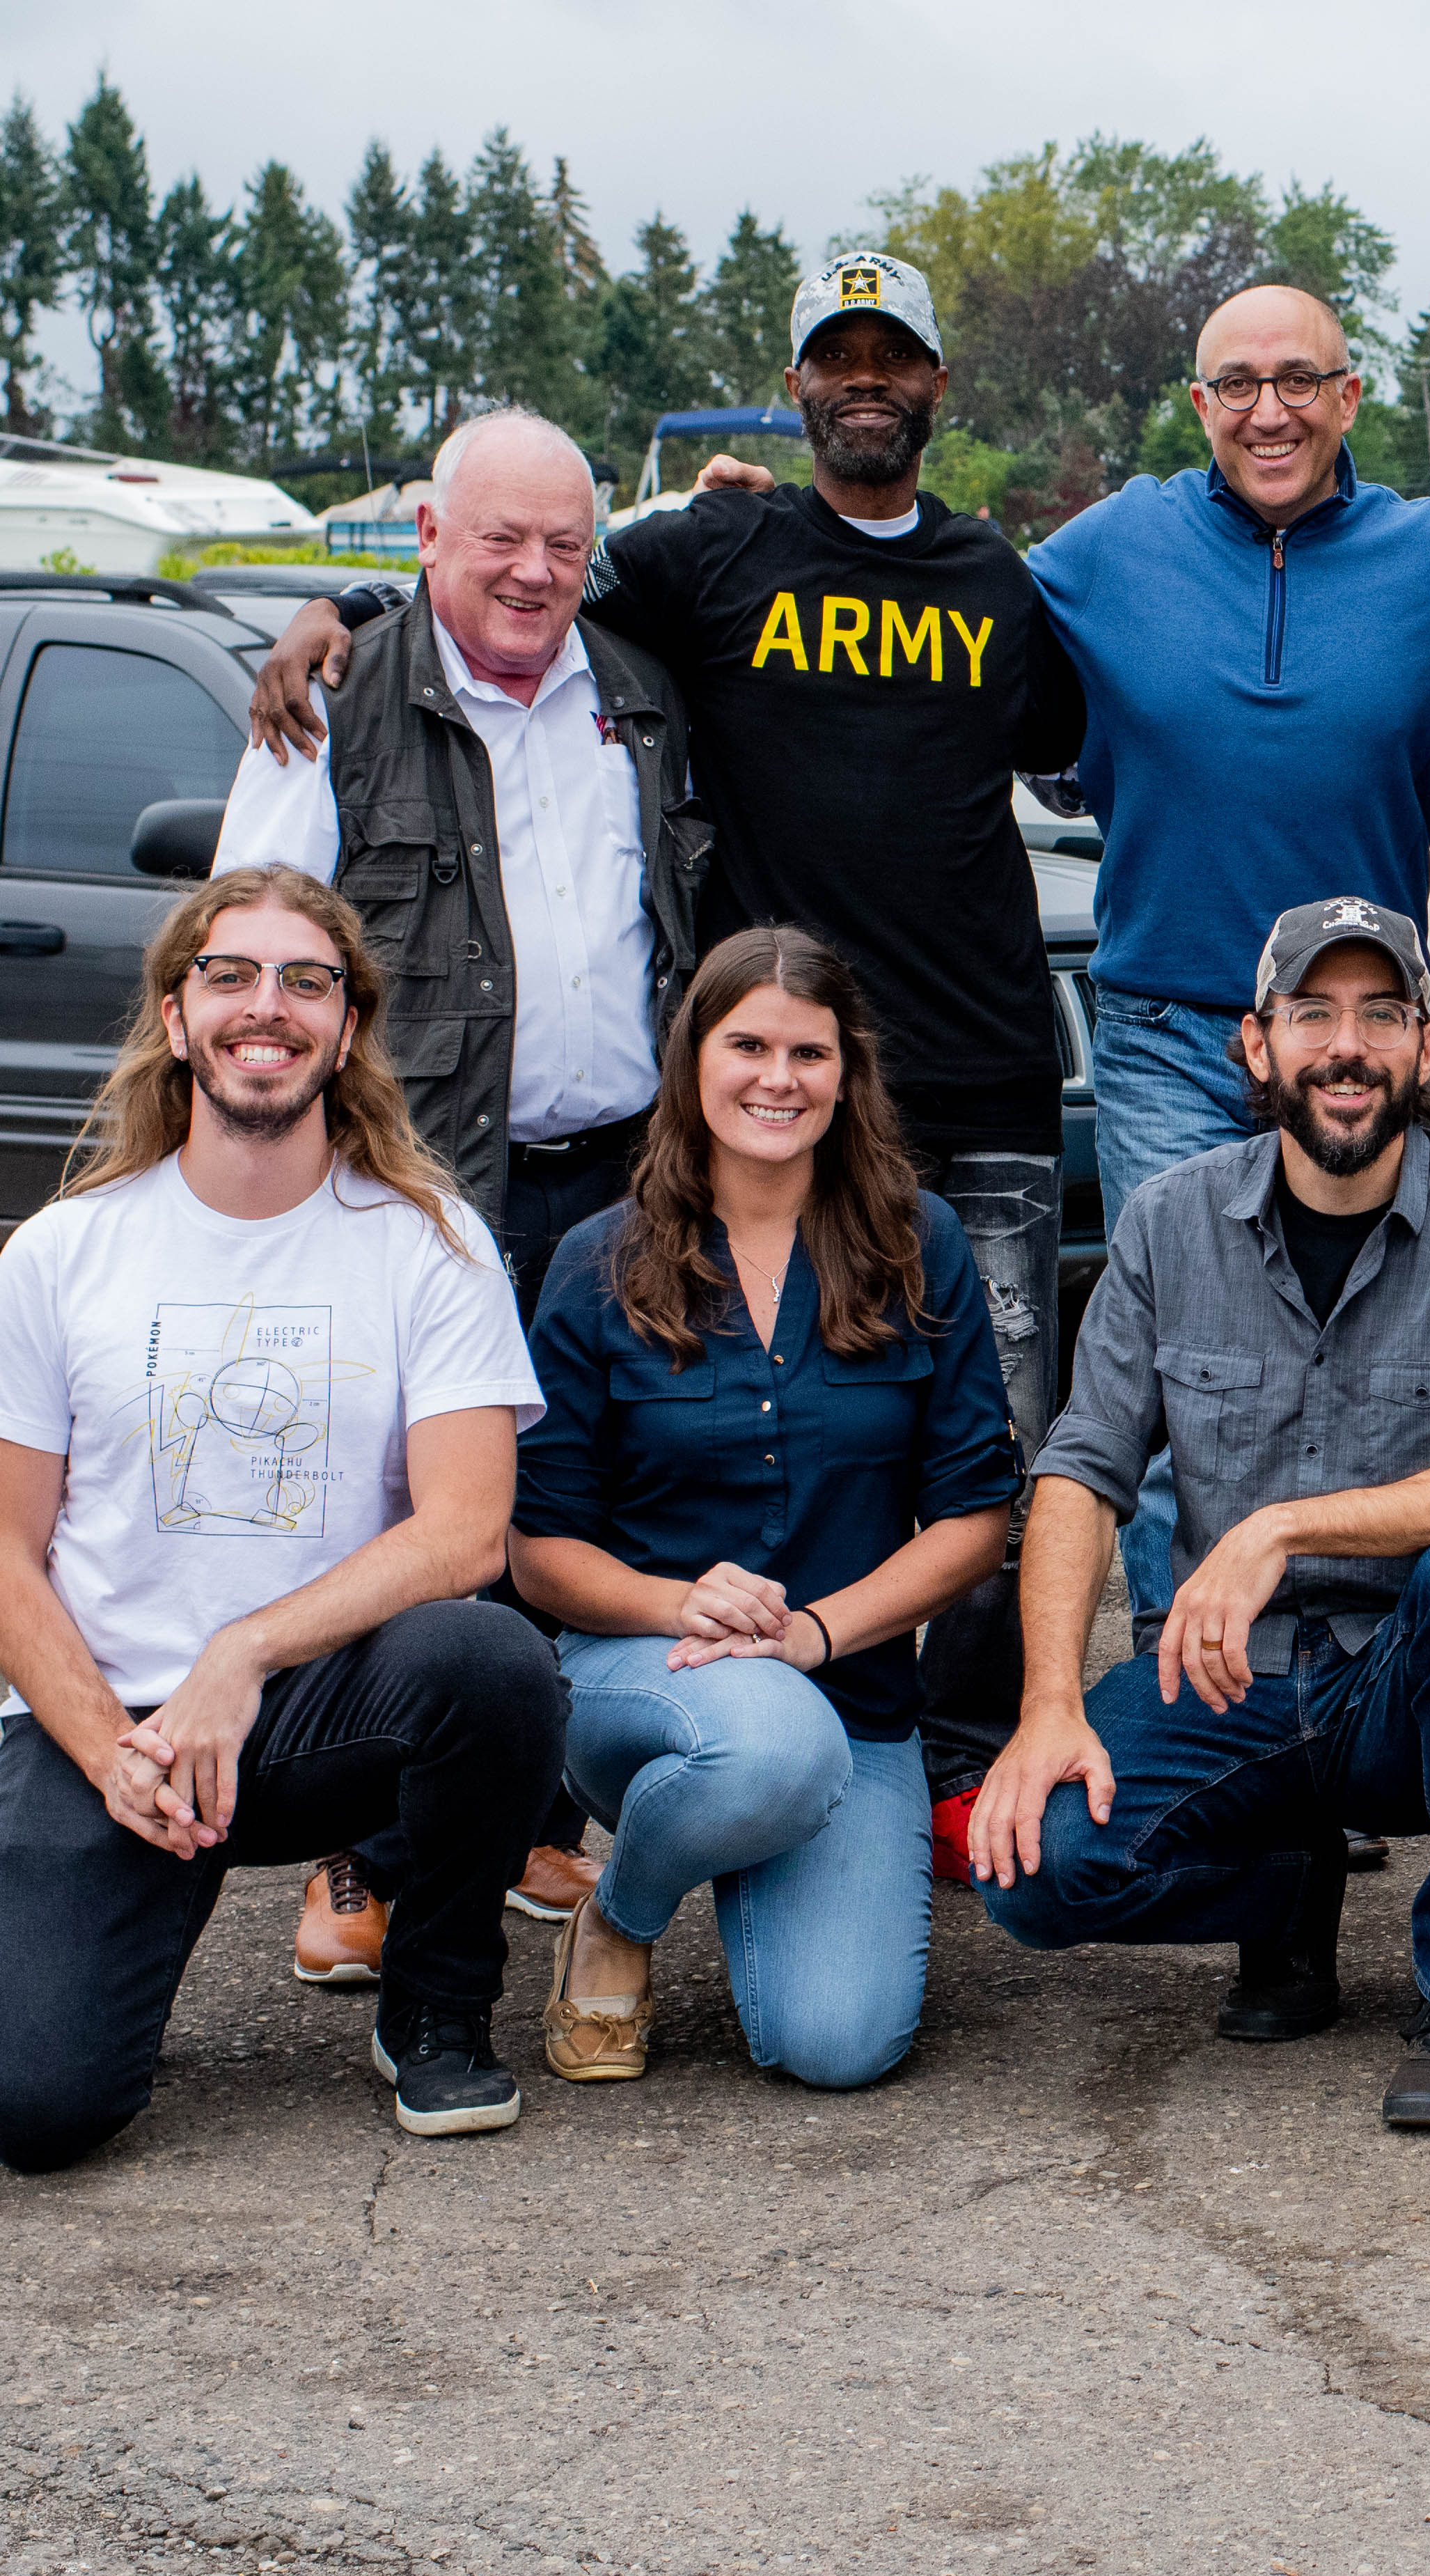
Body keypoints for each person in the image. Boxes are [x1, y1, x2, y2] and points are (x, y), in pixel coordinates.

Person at [246, 251, 1088, 1827]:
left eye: (891, 354)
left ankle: (964, 1762)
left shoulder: (996, 579)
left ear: (933, 386)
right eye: (833, 355)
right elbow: (509, 582)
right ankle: (551, 1770)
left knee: (997, 1436)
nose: (862, 379)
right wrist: (339, 610)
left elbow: (1072, 743)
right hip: (772, 1076)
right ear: (795, 387)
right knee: (627, 1437)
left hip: (977, 1076)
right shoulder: (712, 548)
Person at [967, 898, 1430, 2130]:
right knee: (1037, 1871)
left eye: (1380, 1015)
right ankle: (1280, 1884)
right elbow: (1082, 1471)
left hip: (1413, 1685)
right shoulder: (1169, 1221)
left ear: (1423, 1046)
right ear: (1255, 1046)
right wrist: (1046, 1709)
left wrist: (1282, 1527)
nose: (1345, 1047)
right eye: (1313, 1015)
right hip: (1229, 1682)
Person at [212, 404, 705, 1972]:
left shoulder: (637, 693)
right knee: (408, 1515)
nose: (534, 570)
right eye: (500, 537)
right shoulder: (336, 701)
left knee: (579, 1501)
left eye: (566, 543)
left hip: (622, 1177)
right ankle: (366, 1857)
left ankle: (534, 1820)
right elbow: (258, 943)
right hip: (418, 1190)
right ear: (426, 539)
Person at [0, 868, 560, 2165]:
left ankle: (436, 1996)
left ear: (349, 1026)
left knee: (492, 1662)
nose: (271, 1007)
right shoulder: (61, 1254)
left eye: (308, 981)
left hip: (315, 1712)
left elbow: (469, 1531)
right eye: (232, 975)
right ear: (178, 1014)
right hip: (111, 1724)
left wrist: (240, 1655)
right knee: (38, 2112)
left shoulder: (432, 1244)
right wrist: (111, 1751)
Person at [1021, 282, 1430, 1626]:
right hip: (1173, 1031)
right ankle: (1200, 1723)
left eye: (1299, 379)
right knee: (1193, 1386)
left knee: (1372, 1368)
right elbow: (948, 616)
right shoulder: (1112, 546)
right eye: (1235, 384)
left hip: (1356, 1038)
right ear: (1198, 406)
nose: (1269, 410)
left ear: (1352, 397)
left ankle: (1351, 1707)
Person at [508, 928, 1018, 2089]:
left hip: (850, 1694)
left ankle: (741, 1827)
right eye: (747, 1045)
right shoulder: (597, 1262)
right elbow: (537, 1551)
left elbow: (974, 1518)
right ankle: (626, 1915)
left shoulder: (918, 1244)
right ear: (694, 1060)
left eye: (808, 1051)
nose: (776, 1080)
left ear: (849, 1074)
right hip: (641, 1678)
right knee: (771, 1740)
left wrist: (816, 1633)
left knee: (835, 2042)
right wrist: (680, 1603)